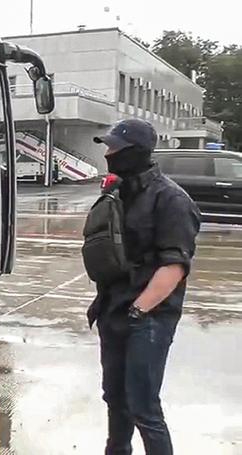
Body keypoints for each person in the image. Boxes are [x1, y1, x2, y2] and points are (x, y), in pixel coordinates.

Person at [88, 118, 200, 455]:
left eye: (114, 148)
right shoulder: (119, 191)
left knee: (143, 406)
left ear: (135, 152)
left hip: (148, 318)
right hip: (113, 309)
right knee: (116, 399)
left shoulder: (171, 200)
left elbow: (175, 265)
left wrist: (139, 310)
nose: (108, 154)